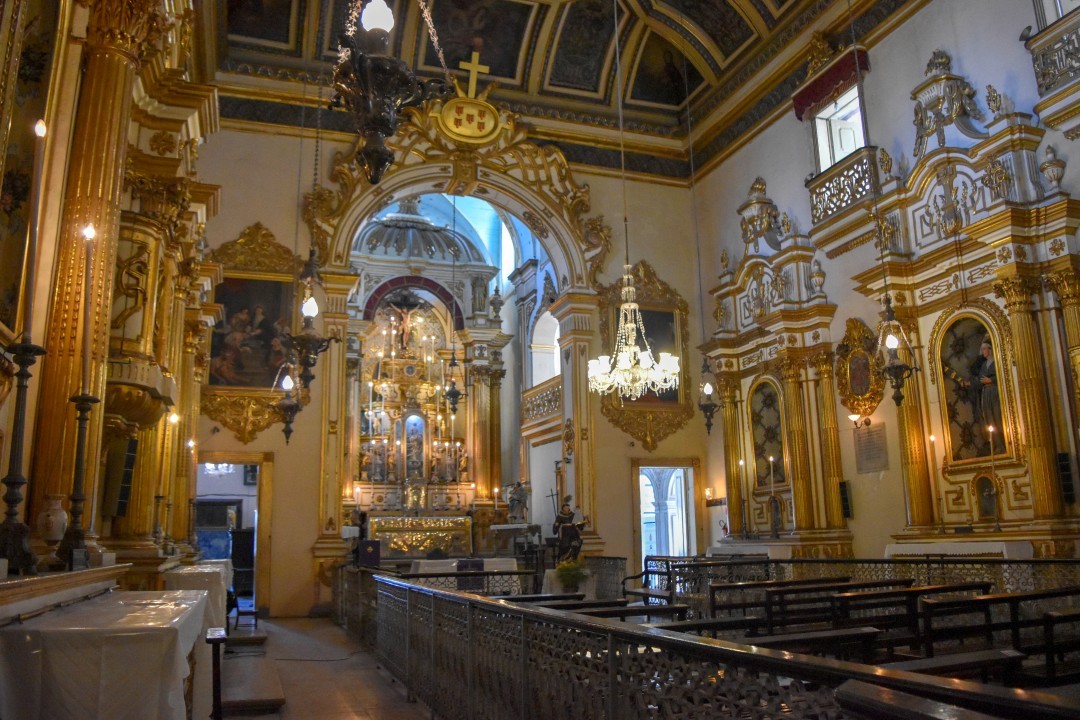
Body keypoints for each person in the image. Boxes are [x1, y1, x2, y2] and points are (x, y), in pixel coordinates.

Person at [963, 339, 1002, 436]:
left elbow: (1003, 374)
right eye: (982, 349)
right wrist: (970, 383)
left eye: (984, 349)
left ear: (990, 349)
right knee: (989, 417)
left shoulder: (997, 362)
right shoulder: (984, 365)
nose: (982, 351)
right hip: (986, 393)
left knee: (998, 416)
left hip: (995, 391)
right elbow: (980, 379)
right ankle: (997, 444)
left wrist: (992, 380)